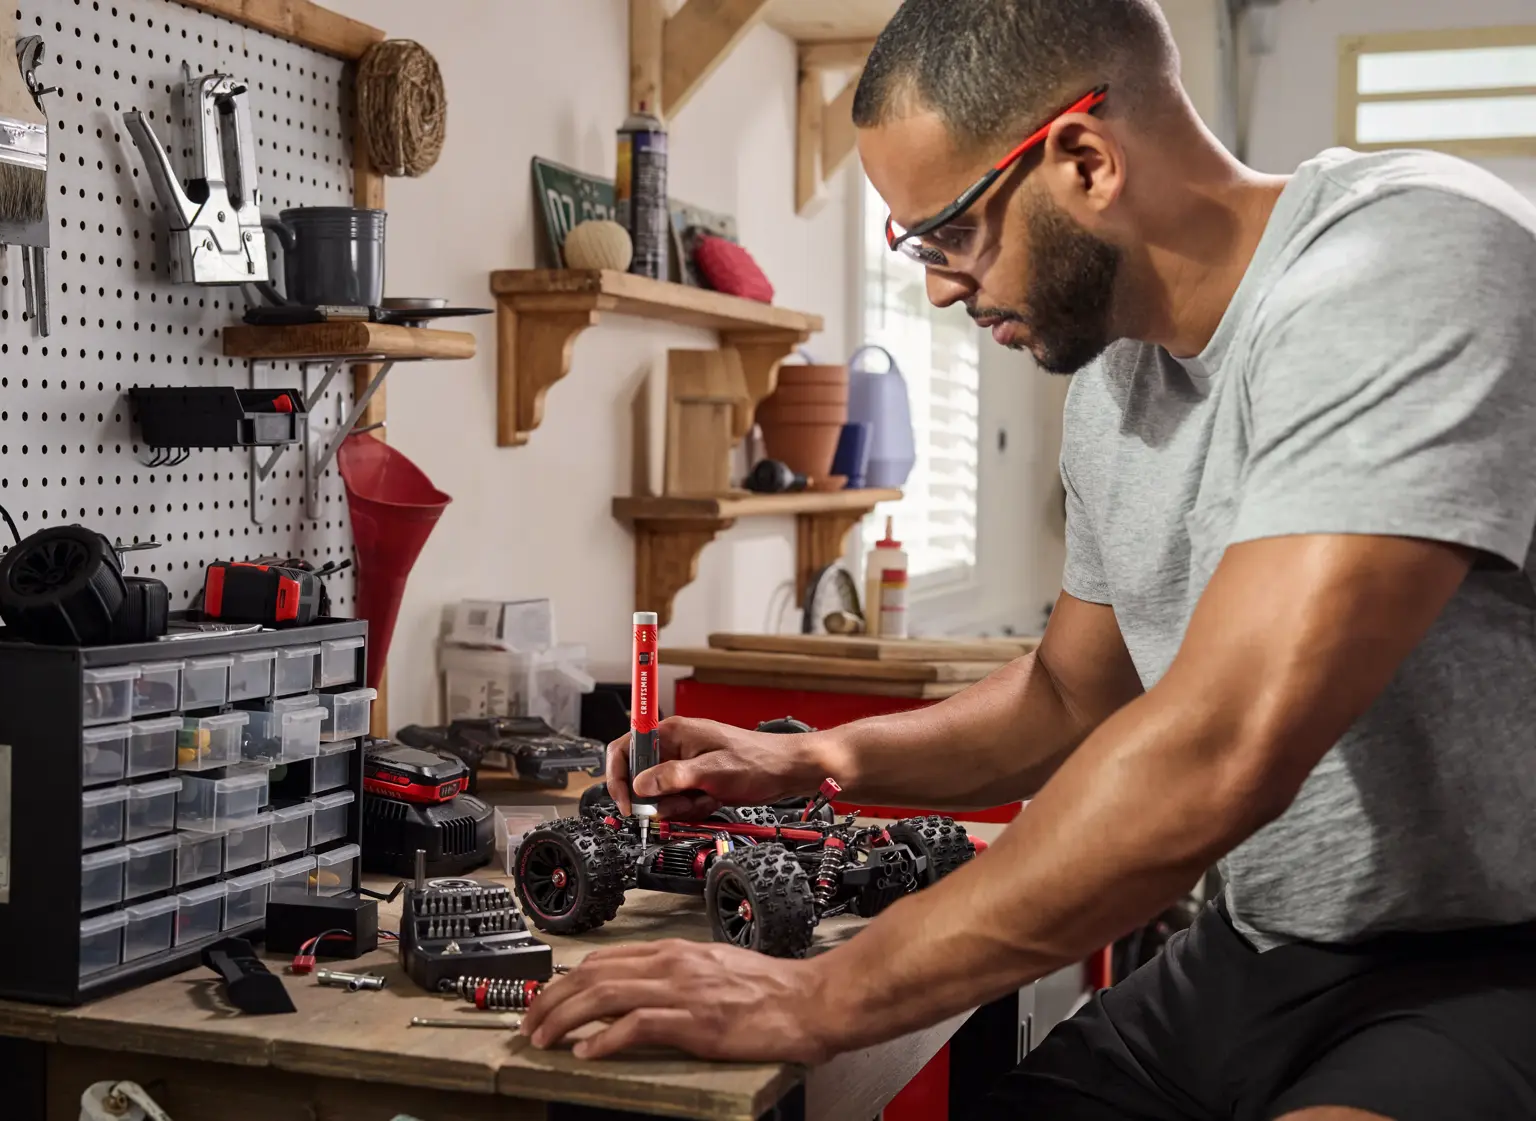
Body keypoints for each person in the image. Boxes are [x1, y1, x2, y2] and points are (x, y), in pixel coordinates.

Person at [520, 0, 1536, 1115]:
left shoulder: (1406, 262)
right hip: (1252, 948)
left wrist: (820, 996)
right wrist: (816, 758)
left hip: (1488, 966)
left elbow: (1223, 744)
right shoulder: (1117, 377)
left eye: (949, 234)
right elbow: (1068, 696)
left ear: (1085, 160)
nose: (937, 286)